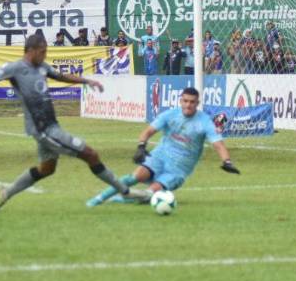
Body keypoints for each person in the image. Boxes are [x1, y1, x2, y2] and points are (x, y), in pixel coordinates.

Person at [0, 35, 140, 212]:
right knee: (90, 154)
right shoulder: (14, 68)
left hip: (50, 126)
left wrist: (87, 81)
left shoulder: (42, 67)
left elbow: (62, 76)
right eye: (42, 52)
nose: (44, 55)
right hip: (44, 129)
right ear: (30, 50)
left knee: (47, 169)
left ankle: (5, 193)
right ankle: (126, 192)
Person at [86, 87, 240, 207]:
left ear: (197, 103)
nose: (188, 105)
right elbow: (149, 131)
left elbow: (218, 144)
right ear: (181, 101)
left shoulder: (204, 121)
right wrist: (141, 147)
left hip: (179, 168)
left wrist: (227, 162)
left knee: (150, 193)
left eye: (192, 102)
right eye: (185, 101)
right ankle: (99, 198)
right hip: (160, 156)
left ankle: (122, 199)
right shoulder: (170, 114)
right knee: (137, 176)